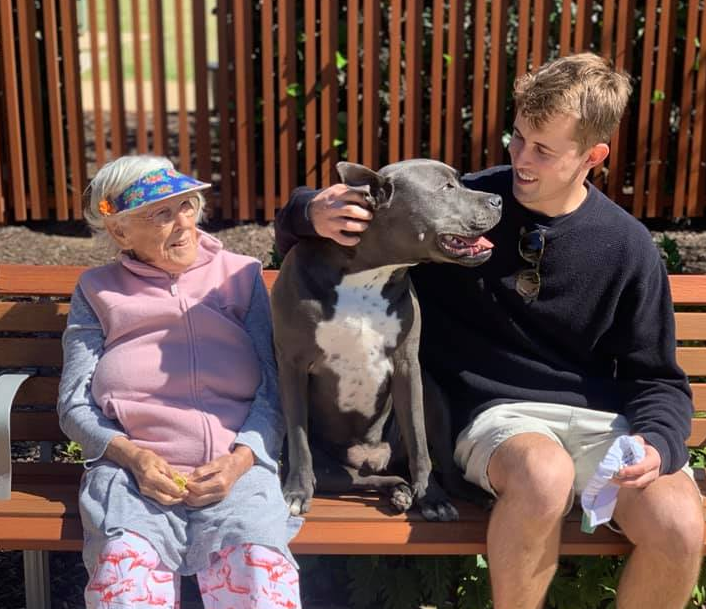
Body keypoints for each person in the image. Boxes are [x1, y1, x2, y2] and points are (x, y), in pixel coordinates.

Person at [274, 53, 704, 609]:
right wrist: (307, 211)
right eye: (518, 137)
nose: (522, 160)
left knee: (678, 523)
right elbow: (355, 225)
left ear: (593, 156)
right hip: (496, 418)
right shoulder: (459, 207)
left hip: (601, 424)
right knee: (544, 474)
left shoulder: (626, 246)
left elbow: (659, 379)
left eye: (544, 150)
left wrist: (656, 442)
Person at [59, 155, 302, 609]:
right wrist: (130, 455)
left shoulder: (241, 274)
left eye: (186, 205)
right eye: (162, 214)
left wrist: (243, 458)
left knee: (259, 578)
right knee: (124, 583)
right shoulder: (97, 290)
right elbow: (74, 404)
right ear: (120, 231)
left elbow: (275, 387)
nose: (184, 223)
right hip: (132, 478)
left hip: (235, 471)